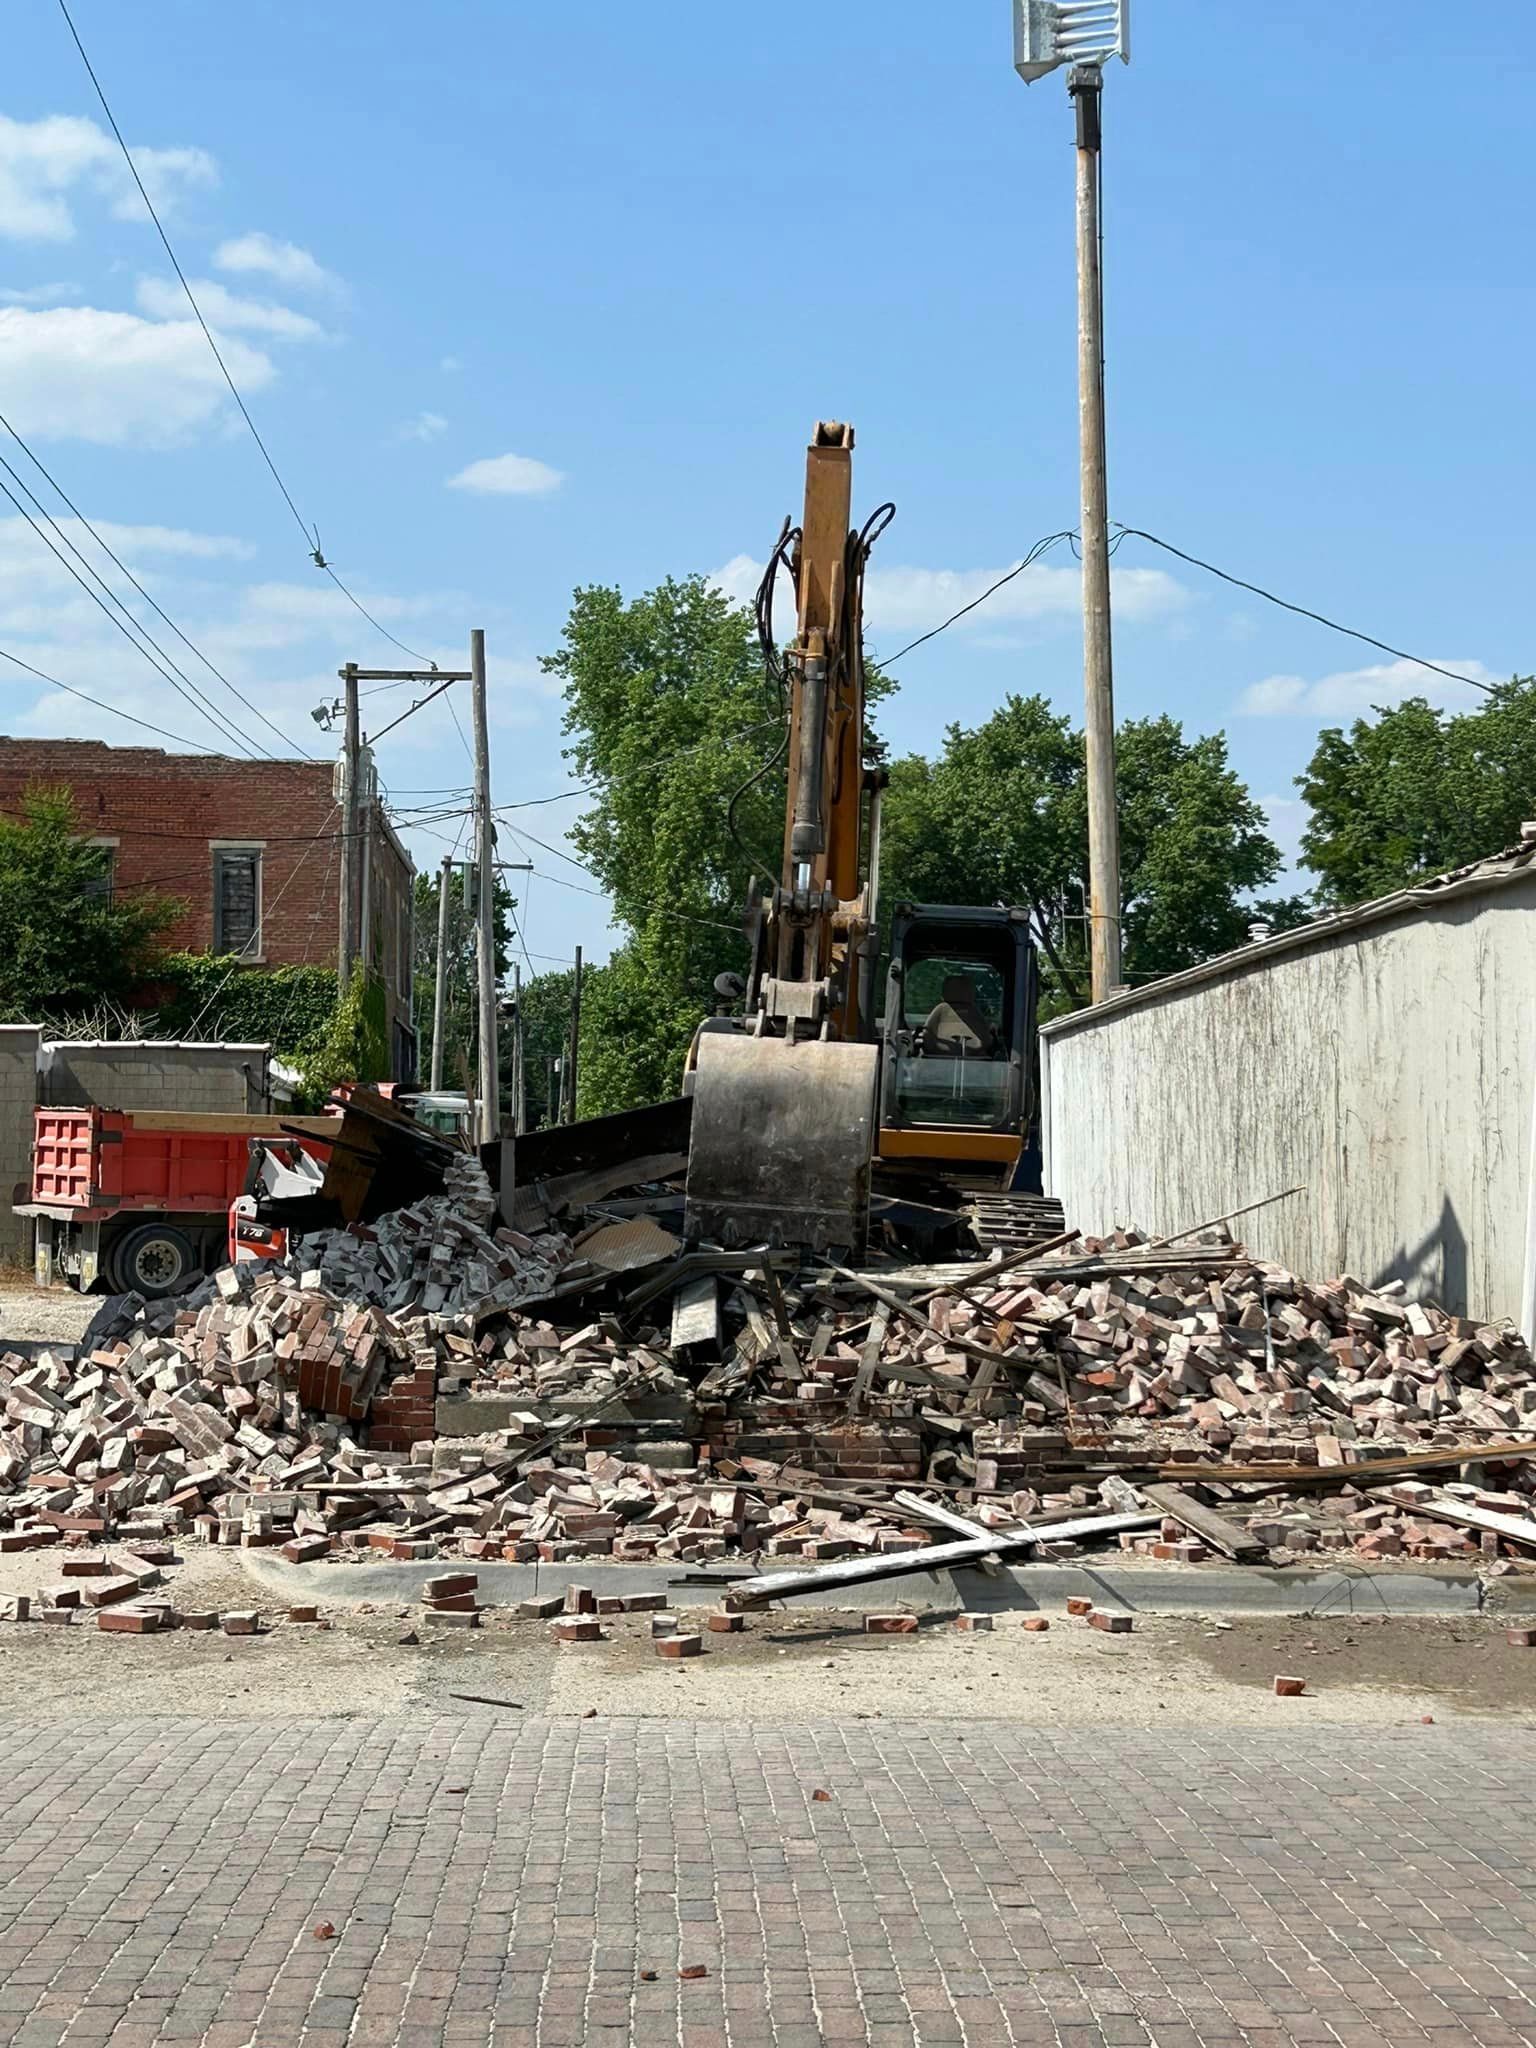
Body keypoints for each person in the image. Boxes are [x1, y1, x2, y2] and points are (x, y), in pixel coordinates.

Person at [921, 972, 1000, 1058]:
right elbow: (927, 1036)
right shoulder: (940, 1011)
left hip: (974, 1063)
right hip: (937, 1060)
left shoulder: (975, 1013)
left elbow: (986, 1041)